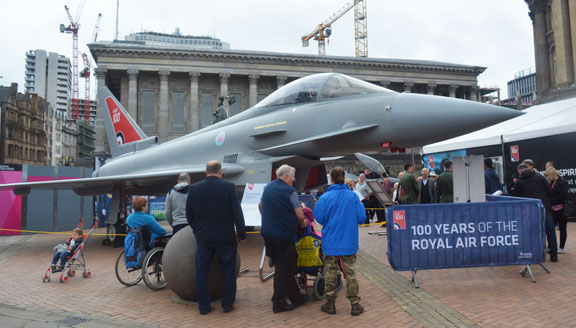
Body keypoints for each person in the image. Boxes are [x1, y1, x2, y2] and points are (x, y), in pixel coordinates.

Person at [186, 160, 247, 314]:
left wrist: (196, 230)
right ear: (220, 172)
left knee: (202, 271)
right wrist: (241, 234)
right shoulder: (228, 187)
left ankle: (204, 307)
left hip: (204, 237)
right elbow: (237, 213)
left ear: (206, 172)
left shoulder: (194, 189)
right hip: (225, 237)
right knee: (228, 270)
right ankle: (227, 305)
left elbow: (189, 214)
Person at [314, 167, 366, 316]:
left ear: (331, 179)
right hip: (349, 241)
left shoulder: (325, 197)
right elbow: (362, 217)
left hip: (331, 241)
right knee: (350, 273)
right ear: (344, 178)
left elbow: (319, 217)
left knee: (330, 271)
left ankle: (330, 303)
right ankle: (355, 304)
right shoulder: (353, 196)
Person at [259, 164, 309, 313]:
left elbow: (260, 206)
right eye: (293, 175)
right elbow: (300, 215)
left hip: (268, 233)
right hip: (283, 235)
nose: (294, 178)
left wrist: (269, 220)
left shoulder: (268, 187)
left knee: (283, 266)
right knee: (283, 268)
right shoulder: (290, 191)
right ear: (286, 176)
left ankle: (296, 297)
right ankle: (278, 303)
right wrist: (303, 223)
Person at [513, 164, 558, 262]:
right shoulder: (540, 178)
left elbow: (516, 197)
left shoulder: (519, 182)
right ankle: (554, 255)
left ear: (520, 172)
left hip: (529, 210)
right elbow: (550, 191)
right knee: (550, 231)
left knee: (532, 232)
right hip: (544, 207)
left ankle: (535, 254)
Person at [544, 167, 569, 254]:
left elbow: (563, 196)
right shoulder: (550, 183)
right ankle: (551, 247)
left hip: (561, 210)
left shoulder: (563, 182)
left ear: (552, 174)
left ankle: (561, 247)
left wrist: (551, 200)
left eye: (548, 176)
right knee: (550, 229)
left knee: (562, 229)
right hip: (552, 210)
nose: (547, 178)